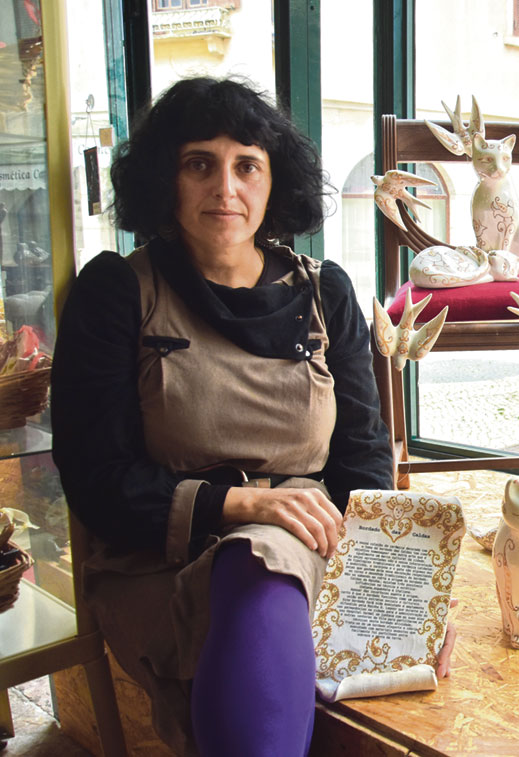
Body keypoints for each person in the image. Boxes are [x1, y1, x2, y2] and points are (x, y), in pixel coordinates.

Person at [51, 77, 409, 756]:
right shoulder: (117, 291)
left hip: (310, 542)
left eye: (247, 165)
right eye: (199, 164)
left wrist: (391, 592)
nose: (225, 188)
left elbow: (365, 463)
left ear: (275, 183)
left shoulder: (326, 292)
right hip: (156, 554)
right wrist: (245, 504)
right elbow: (98, 481)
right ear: (166, 177)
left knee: (266, 564)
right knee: (257, 562)